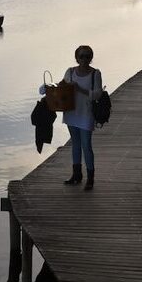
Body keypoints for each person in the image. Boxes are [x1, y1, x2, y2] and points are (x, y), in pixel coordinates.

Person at [61, 45, 102, 190]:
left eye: (87, 56)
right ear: (76, 58)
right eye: (81, 56)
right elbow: (62, 87)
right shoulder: (70, 72)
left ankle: (90, 178)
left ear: (91, 58)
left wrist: (79, 89)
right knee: (75, 144)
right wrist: (48, 88)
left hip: (86, 114)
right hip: (71, 113)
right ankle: (76, 175)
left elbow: (97, 94)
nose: (84, 59)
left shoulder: (95, 73)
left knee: (86, 145)